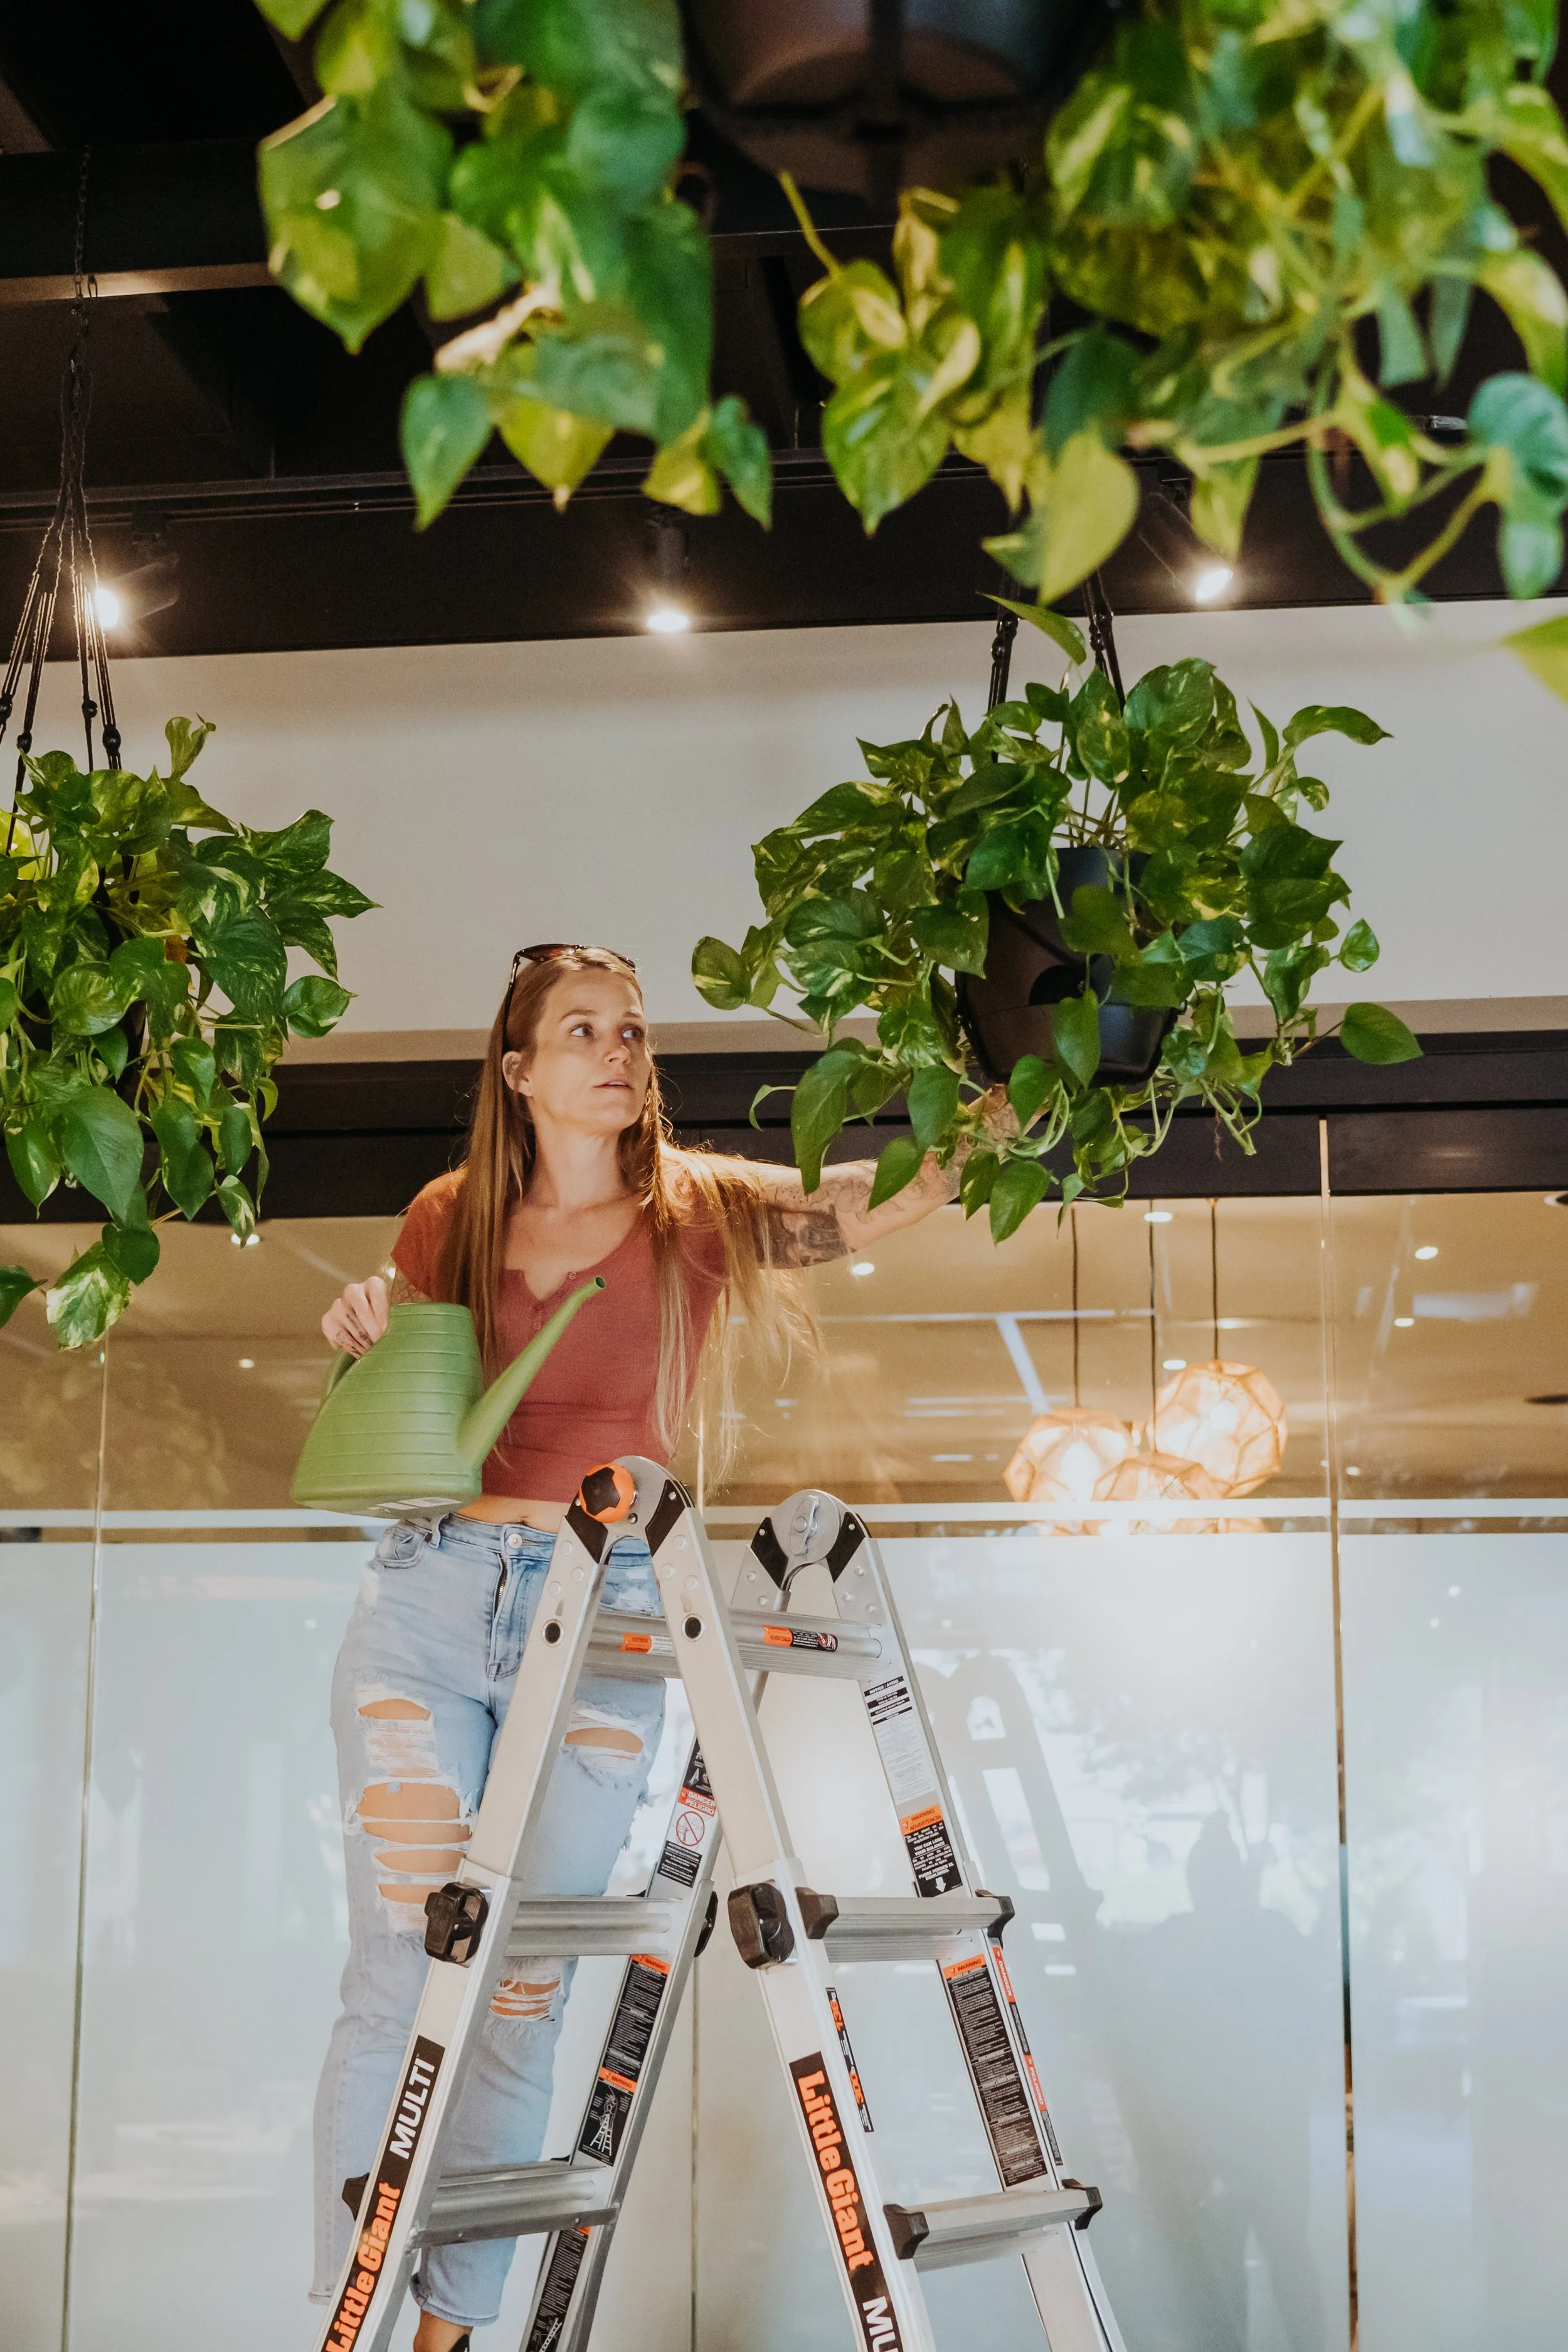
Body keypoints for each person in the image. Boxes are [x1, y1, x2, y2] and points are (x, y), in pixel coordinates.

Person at [310, 943, 999, 2352]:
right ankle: (343, 2318)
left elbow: (881, 1201)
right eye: (582, 1031)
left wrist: (982, 1116)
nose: (618, 1050)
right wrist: (358, 1329)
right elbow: (402, 1408)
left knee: (516, 1984)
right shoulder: (446, 1217)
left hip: (606, 1611)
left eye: (631, 1029)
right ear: (517, 1070)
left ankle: (444, 2338)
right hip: (433, 1599)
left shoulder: (700, 1213)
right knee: (401, 1964)